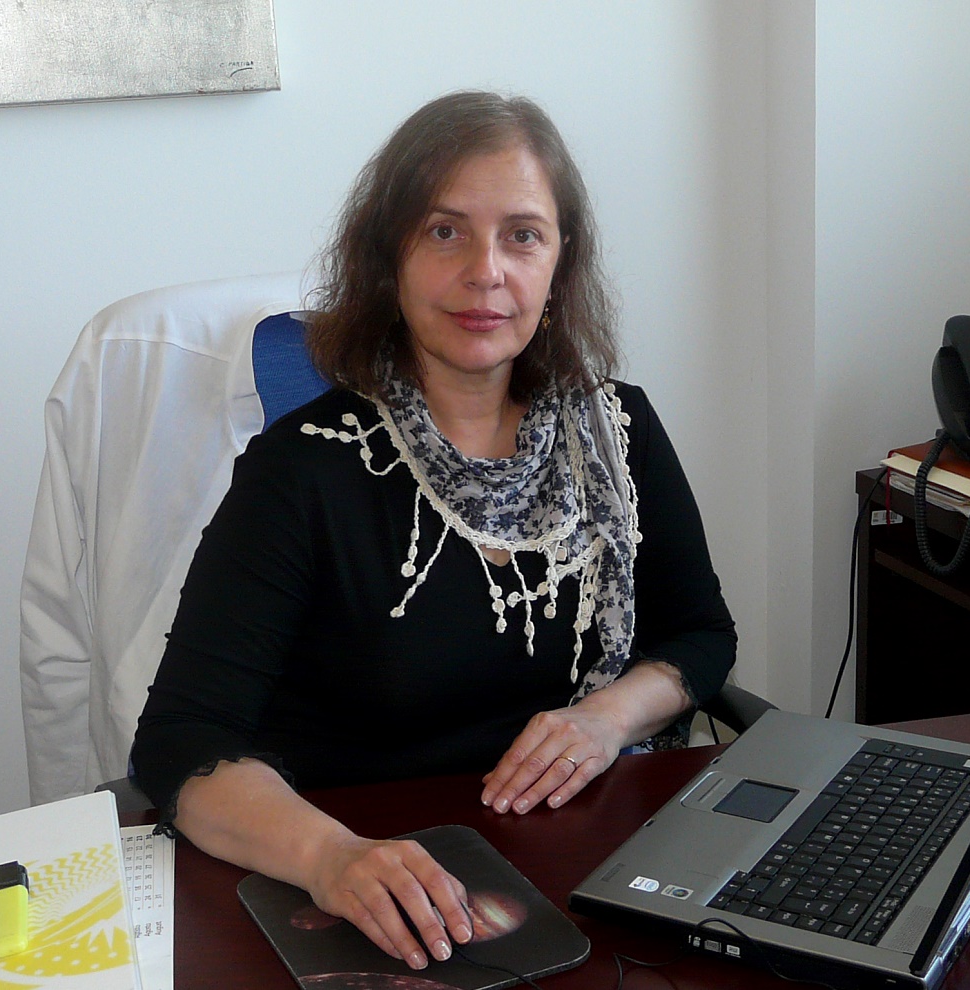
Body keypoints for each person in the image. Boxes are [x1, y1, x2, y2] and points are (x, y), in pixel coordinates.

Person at [131, 91, 735, 972]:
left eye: (523, 235)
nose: (486, 271)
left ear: (560, 264)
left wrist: (605, 719)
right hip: (373, 888)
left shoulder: (619, 432)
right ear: (390, 259)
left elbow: (701, 634)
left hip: (584, 863)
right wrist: (330, 857)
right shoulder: (303, 471)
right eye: (445, 232)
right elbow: (182, 740)